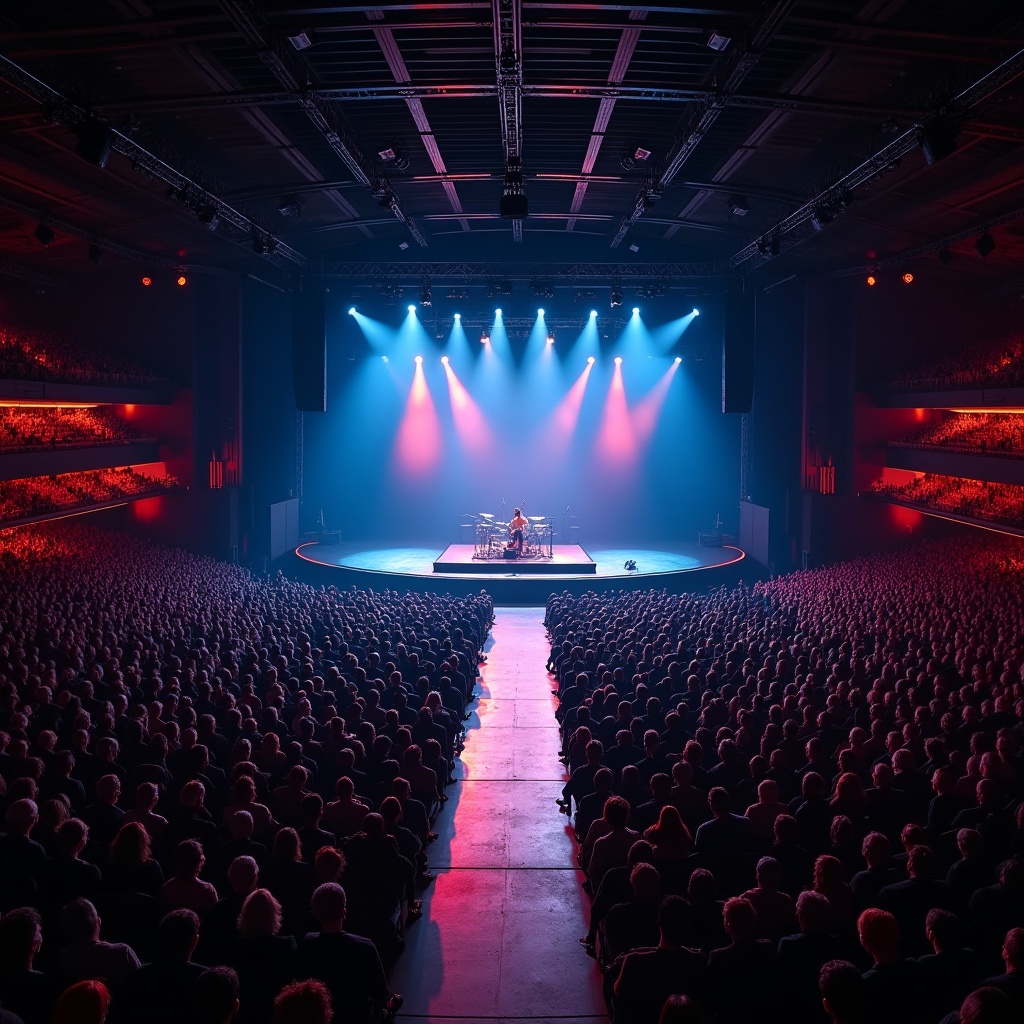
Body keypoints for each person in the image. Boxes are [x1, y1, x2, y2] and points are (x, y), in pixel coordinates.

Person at [294, 883, 390, 1024]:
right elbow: (381, 993)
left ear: (315, 913)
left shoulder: (306, 945)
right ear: (344, 912)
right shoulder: (365, 947)